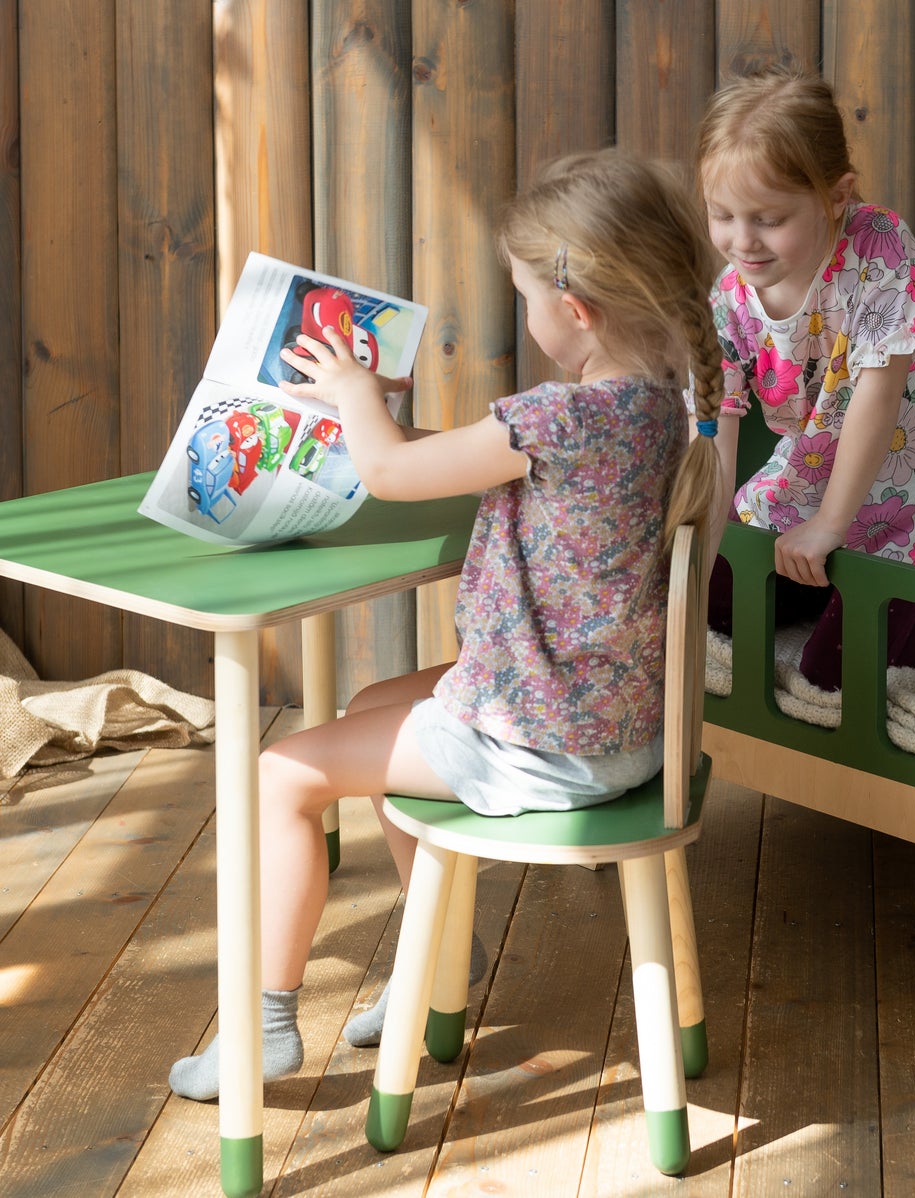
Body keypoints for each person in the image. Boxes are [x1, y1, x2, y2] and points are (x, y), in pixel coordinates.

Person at [169, 149, 724, 1101]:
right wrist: (365, 415)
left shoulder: (558, 417)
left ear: (576, 310)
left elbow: (392, 476)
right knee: (372, 708)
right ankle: (445, 959)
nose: (526, 314)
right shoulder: (659, 400)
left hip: (546, 740)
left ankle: (262, 1027)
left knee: (280, 776)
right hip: (626, 727)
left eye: (526, 298)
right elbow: (454, 458)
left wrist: (357, 401)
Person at [696, 68, 915, 691]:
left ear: (836, 196)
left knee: (830, 675)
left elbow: (875, 402)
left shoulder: (877, 247)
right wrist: (708, 534)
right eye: (722, 214)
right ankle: (819, 584)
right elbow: (717, 428)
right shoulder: (729, 296)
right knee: (712, 603)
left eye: (768, 219)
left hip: (899, 495)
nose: (742, 241)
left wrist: (831, 526)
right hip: (807, 481)